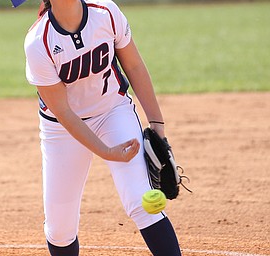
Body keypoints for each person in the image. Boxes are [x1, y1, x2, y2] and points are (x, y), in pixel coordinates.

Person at [23, 0, 181, 255]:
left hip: (113, 111)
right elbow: (63, 111)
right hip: (62, 130)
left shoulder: (105, 12)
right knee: (60, 230)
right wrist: (106, 152)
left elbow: (134, 66)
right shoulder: (38, 41)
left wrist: (157, 125)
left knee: (142, 203)